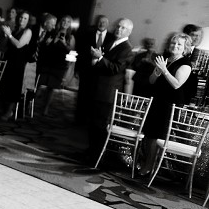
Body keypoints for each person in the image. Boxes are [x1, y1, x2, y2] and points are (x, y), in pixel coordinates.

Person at [140, 33, 198, 176]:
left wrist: (164, 70)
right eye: (173, 43)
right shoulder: (165, 59)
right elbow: (152, 81)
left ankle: (149, 167)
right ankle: (146, 163)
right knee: (148, 134)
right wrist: (158, 71)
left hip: (169, 105)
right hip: (157, 101)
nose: (175, 46)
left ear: (185, 48)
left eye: (179, 44)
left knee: (155, 136)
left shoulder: (186, 64)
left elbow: (177, 84)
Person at [85, 18, 135, 162]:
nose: (119, 29)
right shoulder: (110, 42)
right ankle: (90, 151)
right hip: (98, 88)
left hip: (108, 92)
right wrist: (96, 59)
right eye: (118, 26)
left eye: (123, 28)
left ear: (129, 31)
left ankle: (96, 157)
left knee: (100, 126)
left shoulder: (127, 49)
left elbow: (116, 68)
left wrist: (100, 58)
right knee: (92, 123)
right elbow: (101, 63)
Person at [36, 14, 76, 114]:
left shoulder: (70, 36)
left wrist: (64, 44)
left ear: (70, 24)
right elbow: (43, 44)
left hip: (59, 63)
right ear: (60, 22)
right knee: (39, 83)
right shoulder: (53, 31)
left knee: (51, 87)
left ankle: (46, 108)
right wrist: (48, 42)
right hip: (48, 60)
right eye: (64, 21)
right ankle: (32, 104)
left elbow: (71, 50)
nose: (65, 23)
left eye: (68, 22)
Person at [0, 9, 33, 119]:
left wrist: (9, 35)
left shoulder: (28, 31)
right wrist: (6, 34)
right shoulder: (16, 29)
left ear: (28, 21)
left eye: (25, 18)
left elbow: (18, 45)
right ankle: (2, 109)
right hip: (10, 59)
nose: (22, 19)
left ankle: (9, 112)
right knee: (5, 85)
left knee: (13, 87)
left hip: (18, 62)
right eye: (21, 17)